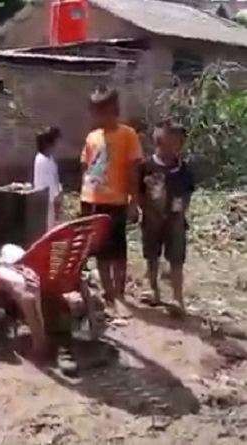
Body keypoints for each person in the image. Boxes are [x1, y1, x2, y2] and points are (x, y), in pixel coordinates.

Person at [80, 86, 143, 313]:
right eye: (95, 111)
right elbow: (85, 167)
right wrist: (84, 198)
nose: (98, 116)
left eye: (103, 110)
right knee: (99, 249)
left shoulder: (127, 134)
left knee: (117, 250)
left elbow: (134, 169)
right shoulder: (92, 137)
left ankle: (119, 292)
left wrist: (134, 201)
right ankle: (107, 292)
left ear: (114, 109)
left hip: (115, 201)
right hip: (91, 200)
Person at [139, 120, 195, 316]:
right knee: (152, 256)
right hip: (152, 220)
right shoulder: (147, 166)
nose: (173, 148)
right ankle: (153, 289)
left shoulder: (184, 170)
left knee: (176, 259)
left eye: (177, 144)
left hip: (175, 222)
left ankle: (177, 298)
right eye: (168, 143)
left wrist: (180, 211)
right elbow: (139, 193)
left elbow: (188, 193)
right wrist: (147, 210)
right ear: (158, 142)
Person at [33, 126, 63, 229]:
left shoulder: (50, 159)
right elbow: (46, 183)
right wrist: (56, 198)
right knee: (48, 228)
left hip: (51, 199)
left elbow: (55, 178)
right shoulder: (42, 160)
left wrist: (59, 191)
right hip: (47, 201)